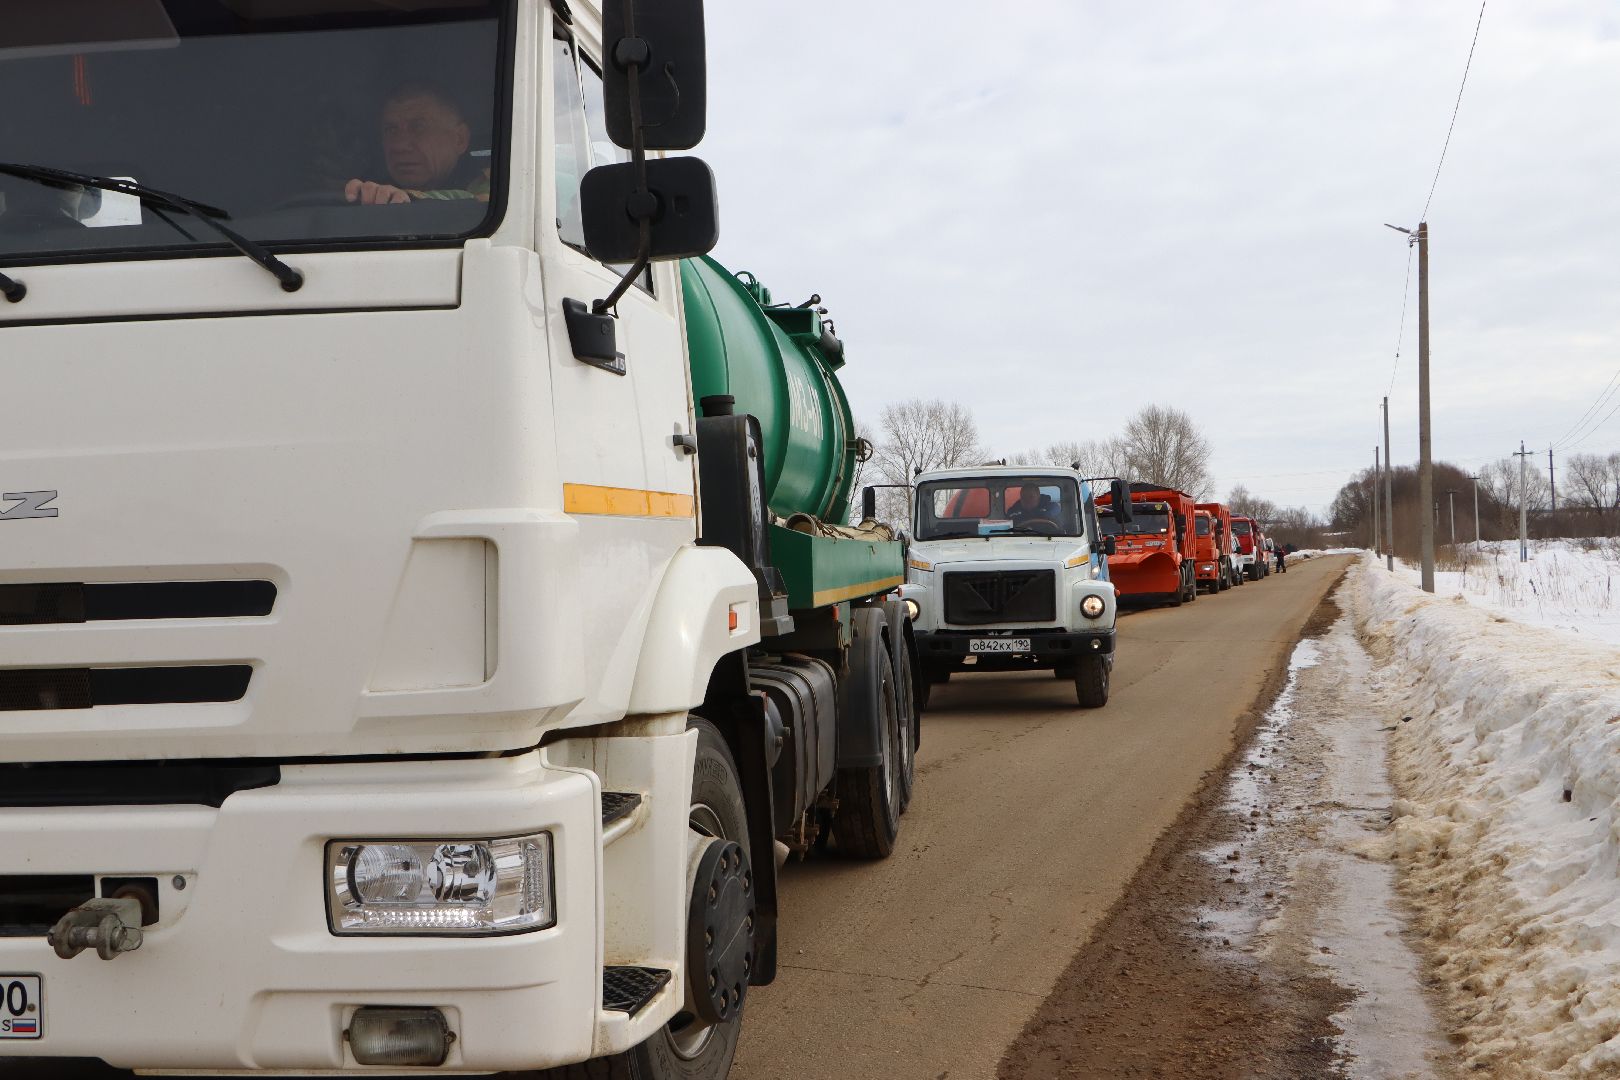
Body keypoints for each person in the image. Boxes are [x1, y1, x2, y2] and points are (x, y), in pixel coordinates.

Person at [345, 84, 489, 205]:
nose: (399, 145)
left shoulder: (496, 188)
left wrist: (406, 198)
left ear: (460, 139)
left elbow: (478, 202)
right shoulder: (369, 191)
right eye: (391, 130)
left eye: (418, 127)